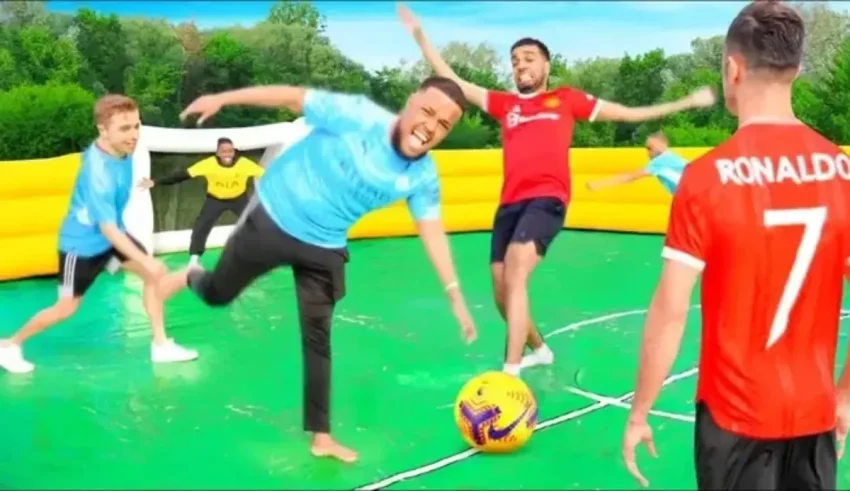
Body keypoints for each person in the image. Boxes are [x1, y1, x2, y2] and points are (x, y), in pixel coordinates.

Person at [159, 76, 478, 463]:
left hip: (325, 246)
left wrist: (454, 293)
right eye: (428, 112)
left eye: (444, 124)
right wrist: (223, 97)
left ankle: (321, 437)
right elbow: (291, 98)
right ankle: (189, 277)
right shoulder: (357, 116)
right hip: (273, 218)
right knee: (217, 294)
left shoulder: (422, 176)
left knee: (318, 340)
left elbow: (431, 229)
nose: (431, 127)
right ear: (410, 102)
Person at [398, 3, 716, 377]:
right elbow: (450, 77)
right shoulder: (506, 104)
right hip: (509, 205)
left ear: (546, 66)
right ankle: (540, 349)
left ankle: (510, 374)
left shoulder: (565, 99)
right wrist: (421, 37)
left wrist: (685, 102)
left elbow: (627, 113)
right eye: (514, 60)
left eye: (528, 58)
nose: (520, 66)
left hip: (547, 199)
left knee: (517, 273)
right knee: (502, 293)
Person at [622, 2, 850, 489]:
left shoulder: (706, 178)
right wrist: (845, 394)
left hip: (735, 419)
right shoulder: (842, 172)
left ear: (732, 67)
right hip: (814, 419)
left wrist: (640, 410)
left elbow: (671, 309)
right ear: (797, 68)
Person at [0, 95, 199, 374]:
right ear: (103, 130)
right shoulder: (98, 172)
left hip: (112, 235)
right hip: (83, 246)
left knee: (153, 275)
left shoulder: (124, 152)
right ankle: (9, 345)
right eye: (124, 129)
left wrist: (147, 265)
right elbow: (106, 228)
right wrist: (147, 260)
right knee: (66, 307)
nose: (133, 135)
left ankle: (161, 345)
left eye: (136, 126)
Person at [138, 137, 265, 267]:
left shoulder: (245, 163)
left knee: (254, 223)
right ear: (217, 153)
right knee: (201, 226)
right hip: (215, 200)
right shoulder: (208, 164)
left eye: (230, 151)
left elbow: (267, 175)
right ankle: (194, 258)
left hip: (239, 199)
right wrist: (155, 182)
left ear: (234, 151)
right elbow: (182, 175)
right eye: (223, 151)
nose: (227, 154)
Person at [585, 132, 686, 194]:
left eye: (650, 148)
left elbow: (631, 177)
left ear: (662, 146)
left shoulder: (659, 161)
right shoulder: (671, 158)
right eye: (646, 148)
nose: (647, 153)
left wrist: (600, 184)